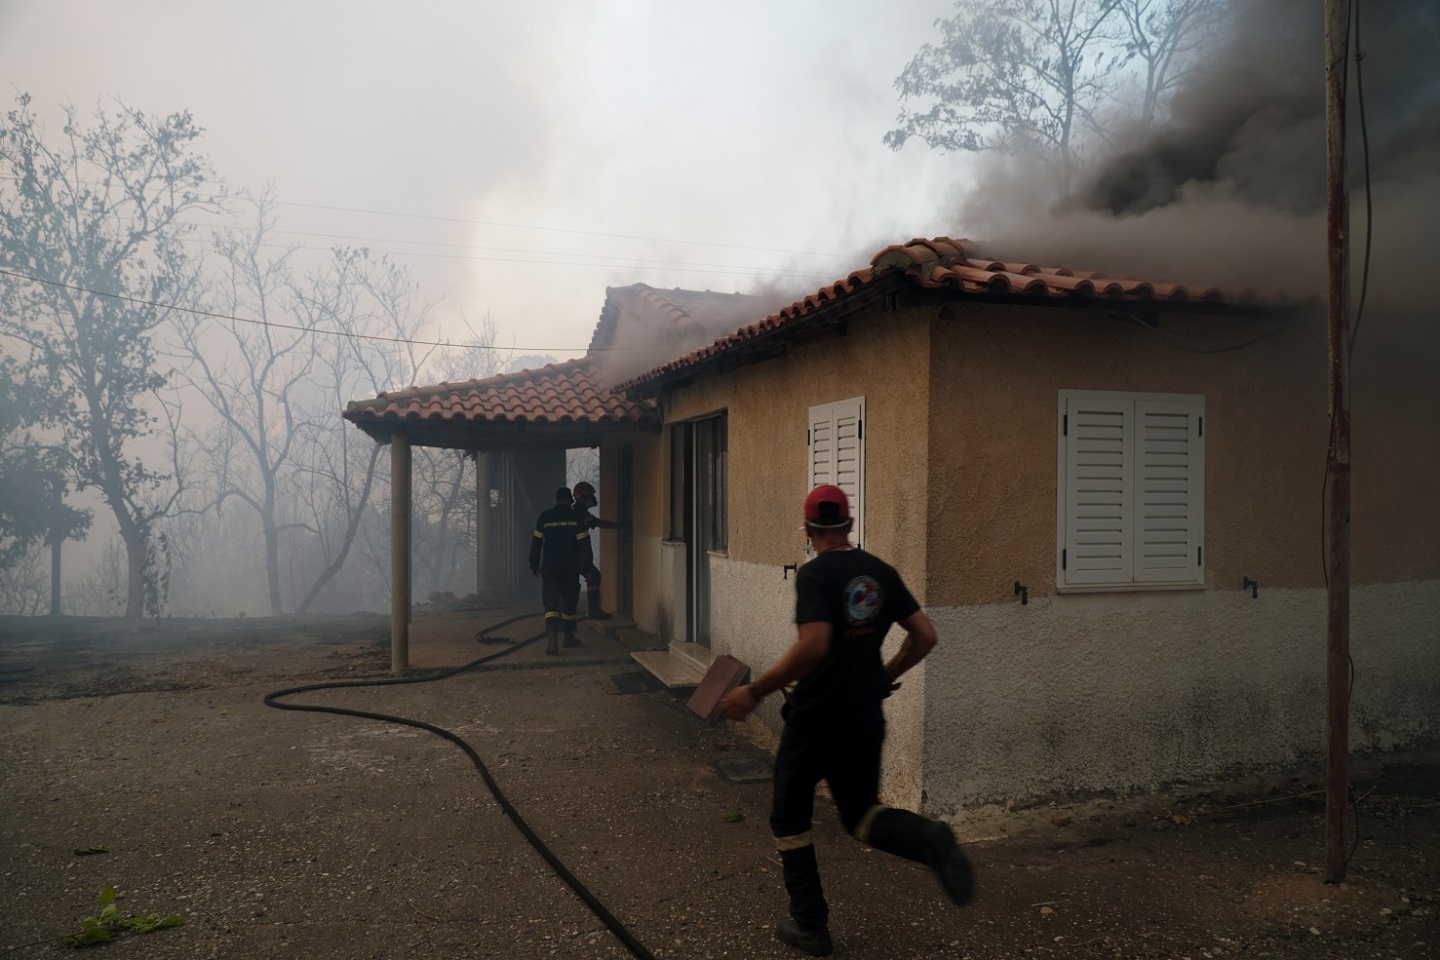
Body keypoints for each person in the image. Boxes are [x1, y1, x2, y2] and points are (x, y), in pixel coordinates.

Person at [720, 484, 973, 956]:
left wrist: (754, 691)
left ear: (810, 530)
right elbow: (924, 637)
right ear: (849, 525)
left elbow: (814, 645)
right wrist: (882, 677)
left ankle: (810, 925)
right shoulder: (880, 572)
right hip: (863, 716)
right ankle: (928, 839)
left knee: (788, 816)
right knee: (860, 814)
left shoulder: (815, 576)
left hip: (815, 718)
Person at [528, 486, 592, 655]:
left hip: (550, 567)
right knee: (569, 601)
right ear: (570, 499)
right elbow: (584, 545)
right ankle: (569, 637)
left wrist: (533, 564)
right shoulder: (576, 517)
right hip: (570, 567)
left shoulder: (545, 517)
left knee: (551, 601)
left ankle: (552, 638)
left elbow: (536, 544)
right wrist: (586, 568)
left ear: (556, 500)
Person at [571, 480, 623, 620]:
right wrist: (617, 526)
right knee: (594, 576)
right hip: (579, 555)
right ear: (581, 497)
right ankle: (593, 610)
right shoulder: (580, 511)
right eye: (589, 496)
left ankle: (566, 615)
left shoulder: (576, 510)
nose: (592, 499)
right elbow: (596, 523)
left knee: (577, 581)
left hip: (574, 554)